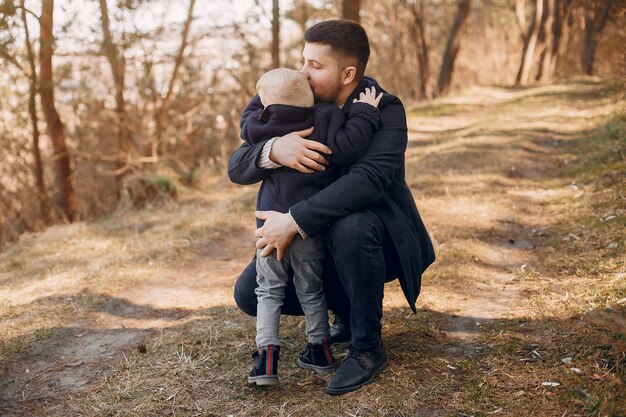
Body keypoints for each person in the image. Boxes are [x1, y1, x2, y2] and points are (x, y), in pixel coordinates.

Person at [228, 19, 435, 395]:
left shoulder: (384, 109)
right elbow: (236, 165)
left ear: (348, 73)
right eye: (303, 61)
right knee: (247, 293)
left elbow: (368, 181)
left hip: (375, 239)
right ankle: (343, 313)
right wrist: (275, 151)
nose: (303, 74)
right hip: (317, 240)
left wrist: (294, 220)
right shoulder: (295, 103)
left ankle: (367, 347)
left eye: (315, 66)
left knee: (350, 226)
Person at [241, 67, 383, 385]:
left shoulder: (261, 123)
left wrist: (264, 95)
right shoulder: (325, 116)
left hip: (270, 225)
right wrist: (364, 113)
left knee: (268, 291)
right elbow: (349, 146)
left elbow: (247, 117)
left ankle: (265, 361)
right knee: (311, 288)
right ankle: (319, 350)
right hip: (307, 227)